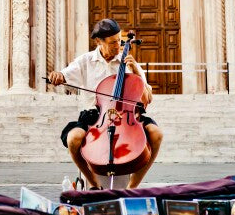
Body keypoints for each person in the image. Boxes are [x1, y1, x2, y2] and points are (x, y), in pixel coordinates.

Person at [48, 18, 163, 190]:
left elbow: (147, 98)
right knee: (73, 139)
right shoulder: (85, 61)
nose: (118, 46)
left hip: (126, 115)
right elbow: (64, 75)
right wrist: (58, 76)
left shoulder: (128, 63)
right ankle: (93, 184)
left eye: (119, 40)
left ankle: (132, 188)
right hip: (95, 116)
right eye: (112, 43)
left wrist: (137, 71)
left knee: (156, 134)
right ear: (99, 42)